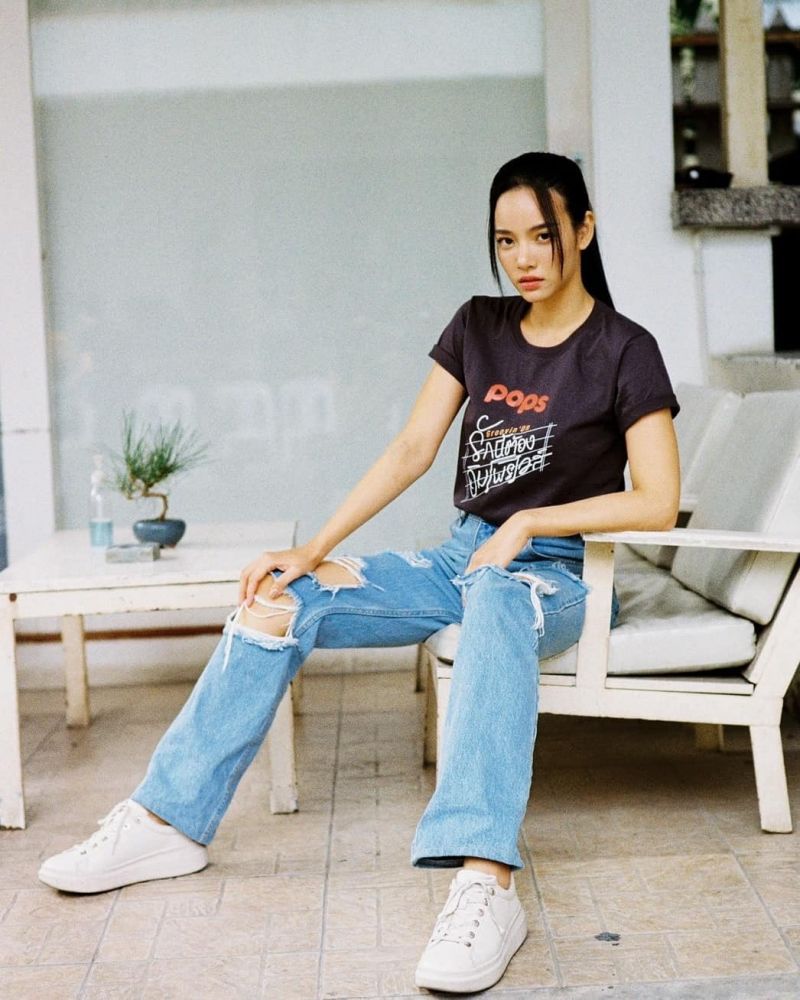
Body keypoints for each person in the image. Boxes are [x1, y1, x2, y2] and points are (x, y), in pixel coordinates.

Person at [39, 151, 680, 994]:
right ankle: (167, 820)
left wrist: (530, 522)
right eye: (505, 240)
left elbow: (658, 500)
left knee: (495, 591)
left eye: (542, 236)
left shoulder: (624, 349)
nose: (523, 258)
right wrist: (312, 551)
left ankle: (486, 882)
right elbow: (412, 448)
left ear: (584, 230)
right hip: (458, 556)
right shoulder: (479, 326)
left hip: (557, 574)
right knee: (279, 601)